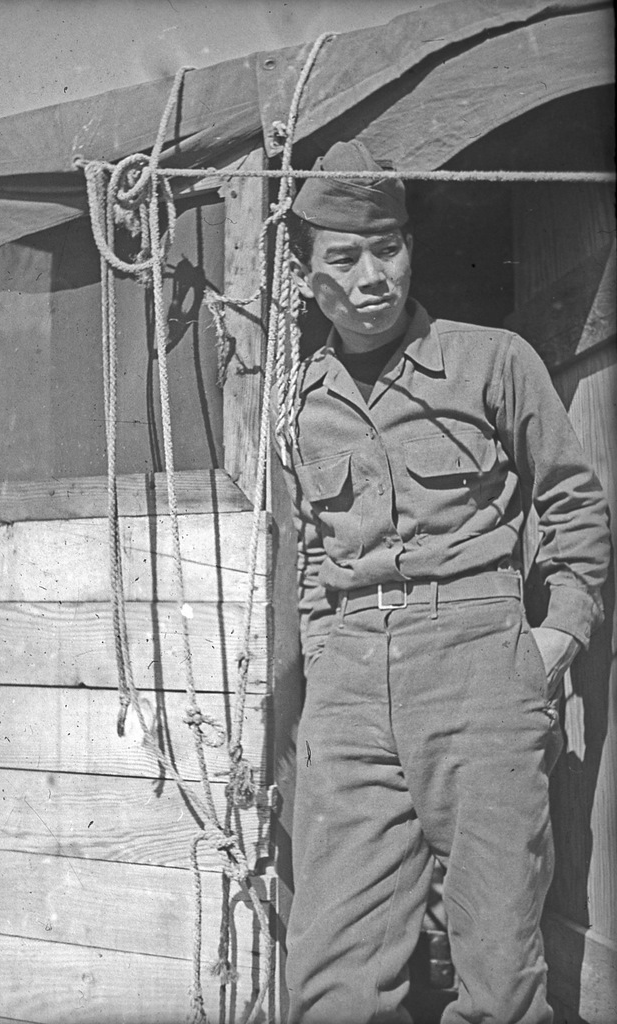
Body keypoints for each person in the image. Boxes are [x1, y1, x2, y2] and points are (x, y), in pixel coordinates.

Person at [273, 140, 610, 1024]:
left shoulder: (492, 360)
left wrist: (556, 636)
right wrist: (325, 657)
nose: (372, 277)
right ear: (307, 278)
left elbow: (574, 503)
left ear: (410, 247)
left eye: (387, 248)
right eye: (345, 258)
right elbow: (310, 550)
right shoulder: (299, 403)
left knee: (499, 974)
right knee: (331, 980)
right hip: (350, 684)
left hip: (477, 664)